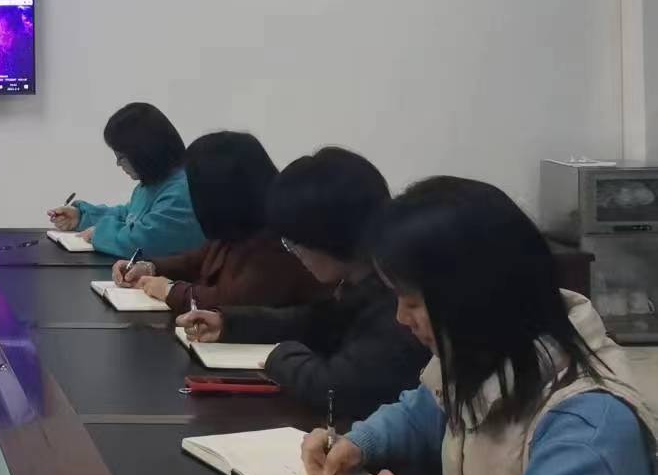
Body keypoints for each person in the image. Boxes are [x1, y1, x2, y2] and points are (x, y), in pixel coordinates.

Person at [305, 178, 658, 475]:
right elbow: (423, 413)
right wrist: (358, 443)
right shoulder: (486, 353)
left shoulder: (589, 421)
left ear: (471, 297)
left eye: (412, 302)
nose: (400, 319)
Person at [177, 146, 426, 418]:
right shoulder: (359, 284)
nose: (294, 253)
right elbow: (313, 321)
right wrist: (228, 324)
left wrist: (280, 355)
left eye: (295, 242)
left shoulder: (396, 301)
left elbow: (333, 390)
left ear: (329, 236)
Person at [116, 131, 321, 314]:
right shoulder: (238, 226)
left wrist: (170, 290)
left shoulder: (279, 243)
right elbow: (195, 261)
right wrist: (150, 267)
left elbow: (232, 302)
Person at [45, 102, 202, 258]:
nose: (118, 164)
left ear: (144, 152)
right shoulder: (152, 184)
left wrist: (99, 233)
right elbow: (127, 216)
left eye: (121, 157)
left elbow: (144, 241)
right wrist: (81, 217)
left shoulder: (181, 192)